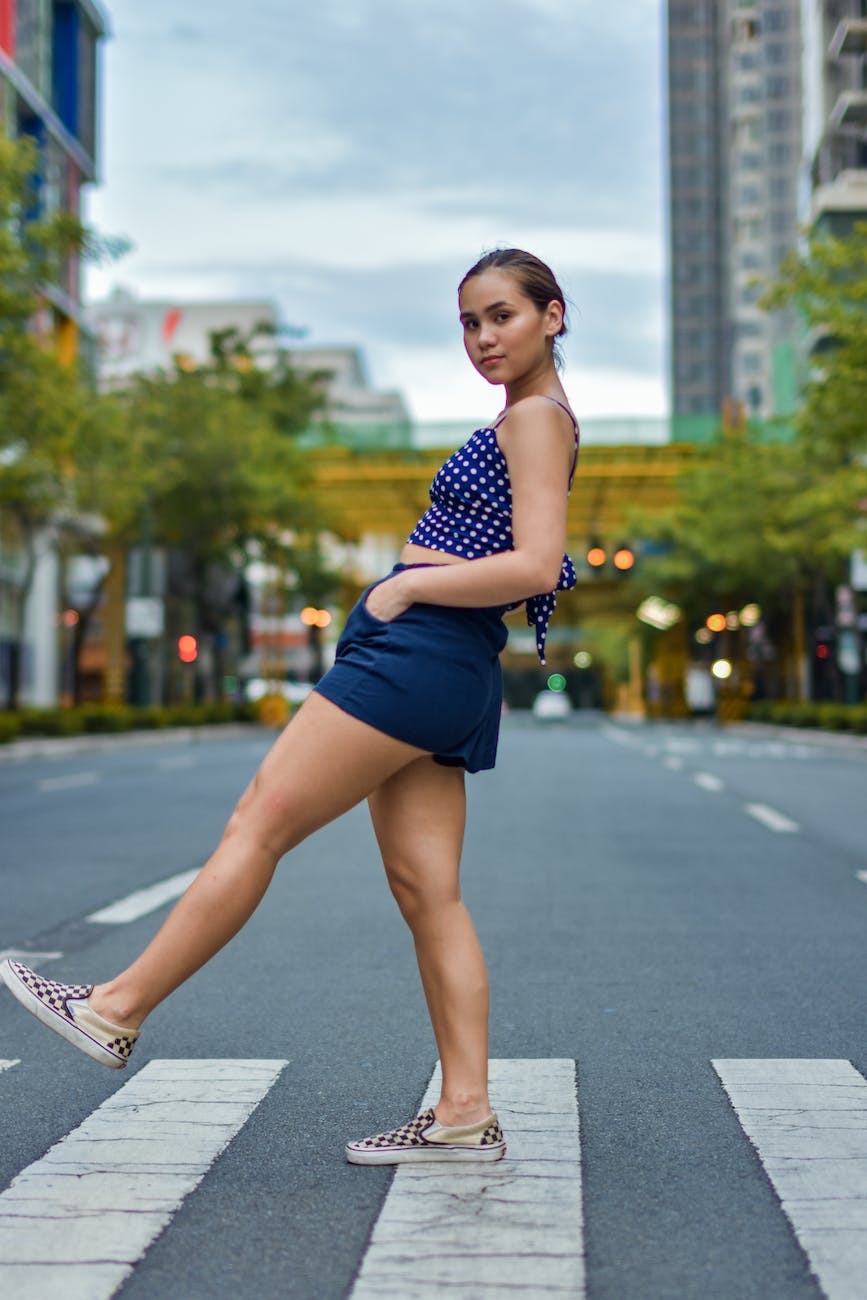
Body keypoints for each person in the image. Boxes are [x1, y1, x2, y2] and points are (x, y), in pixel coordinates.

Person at [1, 248, 580, 1166]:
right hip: (448, 665)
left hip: (417, 655)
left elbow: (537, 566)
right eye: (468, 322)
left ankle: (116, 1007)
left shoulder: (536, 422)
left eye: (502, 316)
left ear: (552, 315)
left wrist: (402, 593)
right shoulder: (522, 419)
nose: (482, 338)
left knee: (259, 822)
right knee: (428, 894)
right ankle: (463, 1112)